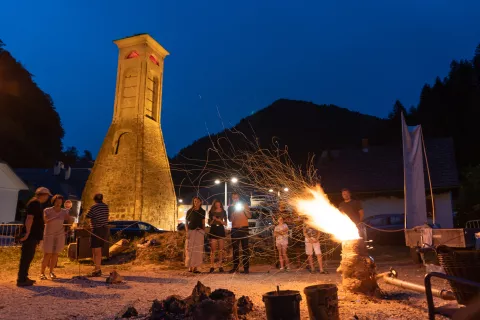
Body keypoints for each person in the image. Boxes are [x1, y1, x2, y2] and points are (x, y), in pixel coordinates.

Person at [17, 187, 52, 287]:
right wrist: (27, 232)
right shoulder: (35, 203)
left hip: (33, 234)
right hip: (31, 235)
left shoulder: (34, 203)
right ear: (44, 195)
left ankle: (24, 277)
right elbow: (30, 218)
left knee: (28, 257)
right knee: (26, 257)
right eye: (47, 196)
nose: (47, 198)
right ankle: (21, 279)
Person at [41, 194, 74, 280]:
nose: (58, 203)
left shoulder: (64, 212)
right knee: (47, 254)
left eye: (60, 202)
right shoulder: (47, 210)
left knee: (55, 254)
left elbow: (70, 221)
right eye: (57, 201)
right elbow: (45, 221)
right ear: (53, 201)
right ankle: (42, 273)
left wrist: (70, 215)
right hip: (48, 234)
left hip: (59, 234)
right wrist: (55, 217)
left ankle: (51, 272)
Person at [85, 193, 109, 277]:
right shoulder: (106, 207)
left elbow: (87, 216)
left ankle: (98, 270)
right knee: (97, 250)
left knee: (96, 251)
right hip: (104, 230)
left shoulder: (94, 207)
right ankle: (96, 268)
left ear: (94, 199)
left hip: (96, 230)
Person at [227, 192, 252, 274]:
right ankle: (235, 267)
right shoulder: (230, 207)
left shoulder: (244, 205)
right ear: (232, 198)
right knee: (235, 249)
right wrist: (233, 213)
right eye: (234, 197)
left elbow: (249, 216)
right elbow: (230, 220)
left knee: (245, 248)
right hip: (234, 229)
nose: (235, 199)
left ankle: (246, 268)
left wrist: (244, 210)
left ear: (239, 198)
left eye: (236, 197)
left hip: (244, 228)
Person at [185, 197, 206, 273]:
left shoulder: (203, 211)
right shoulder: (190, 211)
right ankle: (190, 266)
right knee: (190, 249)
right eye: (194, 201)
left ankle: (196, 267)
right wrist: (187, 232)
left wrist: (204, 232)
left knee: (198, 250)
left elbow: (203, 222)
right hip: (191, 231)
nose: (196, 203)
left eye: (197, 201)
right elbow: (186, 223)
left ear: (200, 202)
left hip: (199, 231)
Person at [208, 199, 227, 273]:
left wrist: (220, 221)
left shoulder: (224, 212)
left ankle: (220, 266)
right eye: (216, 204)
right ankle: (212, 266)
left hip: (220, 229)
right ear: (214, 204)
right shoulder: (211, 212)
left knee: (221, 250)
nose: (217, 205)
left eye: (218, 203)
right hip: (213, 229)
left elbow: (225, 223)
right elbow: (209, 223)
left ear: (220, 204)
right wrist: (213, 219)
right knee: (213, 250)